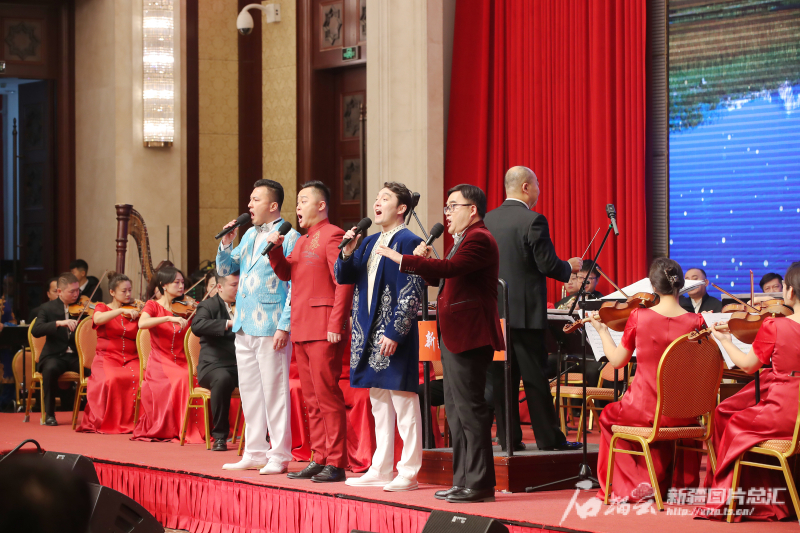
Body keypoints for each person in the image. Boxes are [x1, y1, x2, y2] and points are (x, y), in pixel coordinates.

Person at [379, 183, 504, 503]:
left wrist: (405, 259)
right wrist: (425, 262)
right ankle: (463, 481)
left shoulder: (479, 238)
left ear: (472, 210)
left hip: (470, 335)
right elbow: (442, 277)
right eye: (446, 207)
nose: (447, 213)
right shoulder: (463, 240)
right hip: (456, 335)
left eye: (452, 206)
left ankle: (479, 484)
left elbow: (451, 268)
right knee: (457, 412)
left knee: (470, 412)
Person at [483, 166, 583, 453]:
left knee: (502, 379)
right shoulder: (533, 220)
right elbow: (548, 264)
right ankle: (549, 439)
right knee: (535, 379)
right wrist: (569, 266)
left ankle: (508, 437)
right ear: (526, 187)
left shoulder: (487, 220)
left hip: (495, 316)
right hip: (525, 316)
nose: (539, 189)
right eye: (537, 183)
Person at [335, 182, 425, 492]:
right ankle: (381, 468)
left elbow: (413, 289)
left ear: (401, 208)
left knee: (404, 400)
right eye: (376, 198)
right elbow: (344, 277)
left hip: (393, 332)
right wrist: (347, 252)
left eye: (385, 198)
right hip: (368, 332)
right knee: (378, 401)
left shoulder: (410, 241)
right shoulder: (369, 241)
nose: (377, 203)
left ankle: (409, 471)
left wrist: (396, 331)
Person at [591, 258, 704, 502]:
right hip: (685, 412)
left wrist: (602, 332)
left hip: (645, 410)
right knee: (649, 420)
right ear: (680, 284)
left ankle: (637, 485)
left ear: (653, 287)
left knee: (609, 415)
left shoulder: (639, 317)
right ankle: (670, 483)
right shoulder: (697, 322)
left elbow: (618, 361)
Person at [267, 180, 354, 483]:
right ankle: (319, 457)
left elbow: (343, 281)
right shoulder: (302, 241)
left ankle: (337, 461)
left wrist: (336, 323)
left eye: (304, 200)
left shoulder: (333, 235)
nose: (298, 207)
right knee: (312, 398)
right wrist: (275, 251)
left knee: (326, 395)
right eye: (298, 201)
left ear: (321, 205)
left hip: (323, 327)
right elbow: (286, 272)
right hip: (302, 326)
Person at [700, 262, 800, 521]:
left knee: (733, 422)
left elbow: (747, 365)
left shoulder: (776, 326)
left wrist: (724, 340)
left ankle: (735, 500)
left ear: (789, 292)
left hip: (784, 411)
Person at [217, 179, 299, 470]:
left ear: (273, 205)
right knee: (250, 391)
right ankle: (254, 452)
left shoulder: (290, 236)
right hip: (243, 323)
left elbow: (295, 285)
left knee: (275, 393)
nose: (249, 205)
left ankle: (279, 455)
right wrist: (226, 243)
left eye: (255, 200)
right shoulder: (250, 234)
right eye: (250, 199)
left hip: (271, 324)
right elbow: (226, 269)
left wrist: (284, 325)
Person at [132, 266, 203, 442]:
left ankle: (202, 428)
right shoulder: (153, 305)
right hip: (160, 361)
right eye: (176, 282)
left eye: (182, 282)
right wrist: (168, 317)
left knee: (199, 378)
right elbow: (142, 323)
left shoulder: (186, 306)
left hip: (183, 359)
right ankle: (183, 428)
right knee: (183, 379)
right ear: (164, 285)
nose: (181, 286)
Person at [77, 273, 141, 434]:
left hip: (131, 357)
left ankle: (137, 421)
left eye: (130, 290)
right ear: (112, 292)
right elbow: (97, 319)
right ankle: (112, 421)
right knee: (112, 378)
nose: (128, 294)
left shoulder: (135, 309)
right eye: (124, 291)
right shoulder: (102, 307)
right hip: (107, 357)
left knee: (143, 376)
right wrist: (119, 310)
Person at [191, 273, 241, 452]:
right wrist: (228, 323)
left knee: (260, 378)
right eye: (234, 285)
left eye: (240, 284)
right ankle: (220, 436)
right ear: (219, 287)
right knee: (222, 379)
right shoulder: (208, 305)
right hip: (212, 366)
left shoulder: (245, 304)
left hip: (240, 365)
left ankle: (260, 434)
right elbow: (197, 326)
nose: (238, 288)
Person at [30, 273, 89, 426]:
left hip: (76, 355)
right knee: (50, 370)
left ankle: (95, 413)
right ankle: (49, 414)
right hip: (54, 355)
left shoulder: (84, 308)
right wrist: (58, 323)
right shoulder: (47, 308)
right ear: (59, 292)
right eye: (72, 291)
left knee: (96, 370)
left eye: (78, 290)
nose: (76, 294)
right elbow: (36, 330)